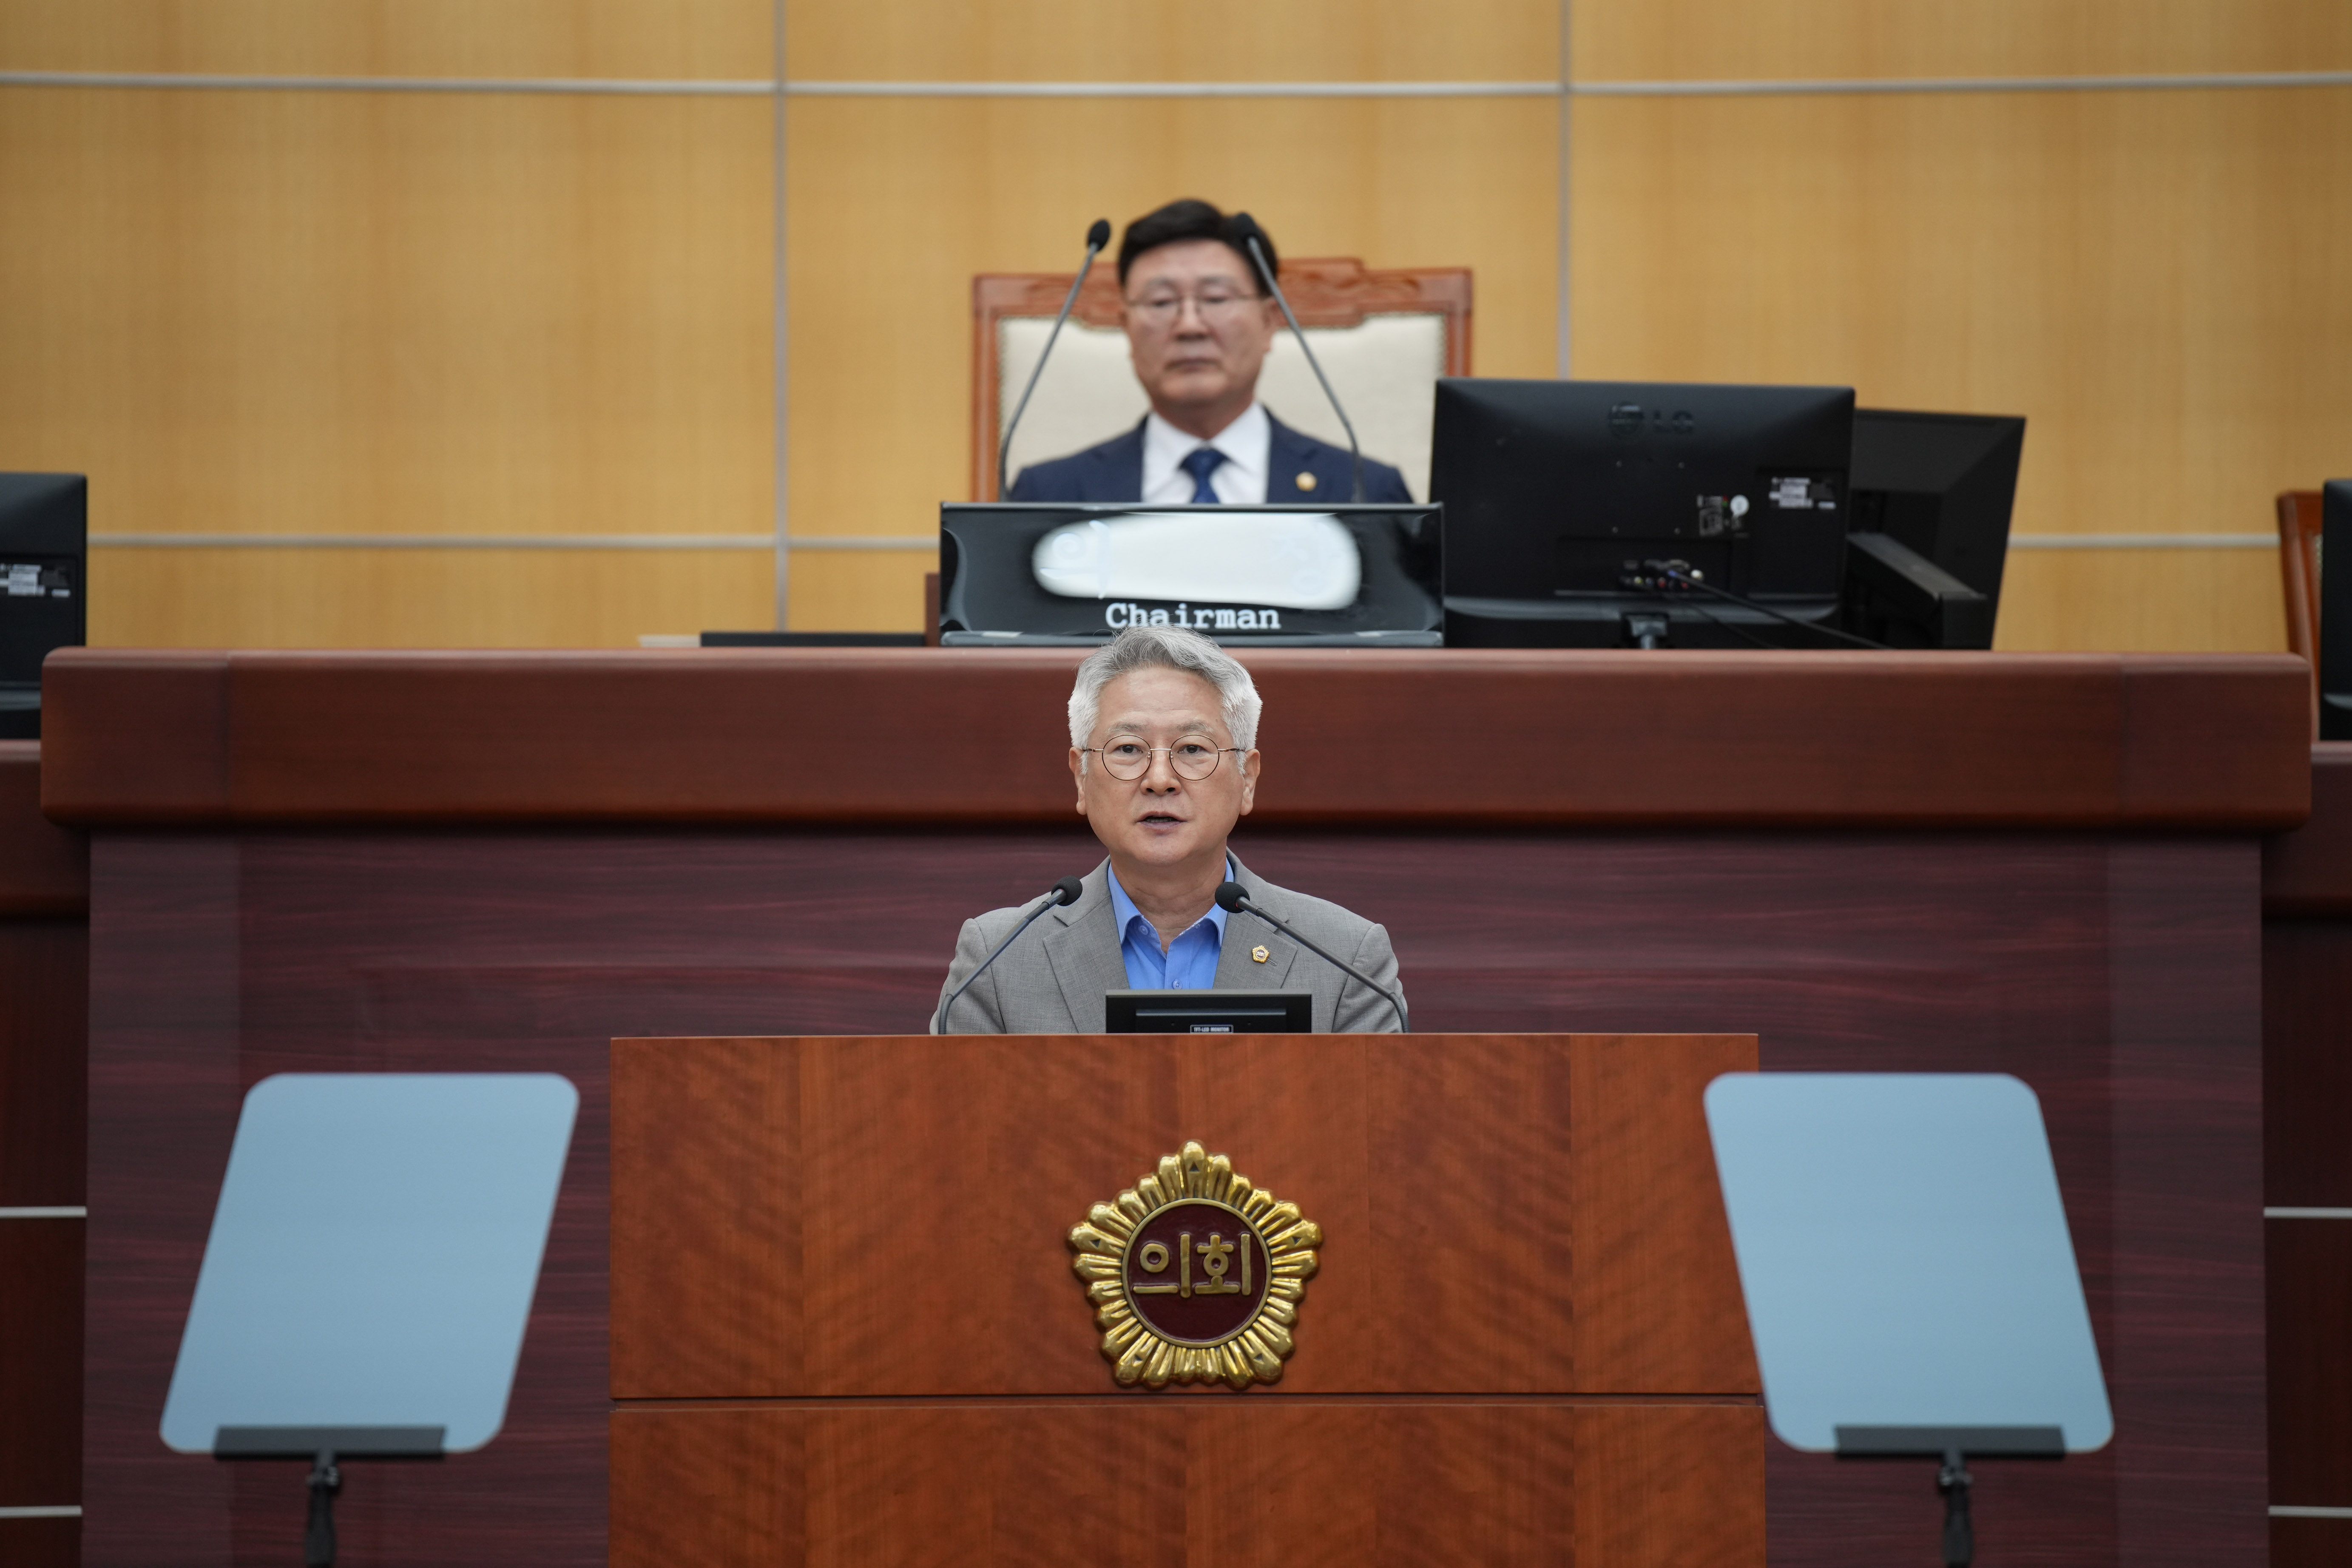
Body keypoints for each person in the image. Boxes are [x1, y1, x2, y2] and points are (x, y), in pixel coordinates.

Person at [932, 624, 1406, 1033]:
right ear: (1081, 777)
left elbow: (1374, 1133)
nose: (1160, 779)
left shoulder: (1344, 959)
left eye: (1193, 749)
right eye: (1128, 749)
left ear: (1247, 780)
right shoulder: (998, 960)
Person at [1005, 199, 1415, 506]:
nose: (1189, 326)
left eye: (1216, 299)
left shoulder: (1364, 492)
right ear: (1127, 327)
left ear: (1270, 321)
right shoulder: (1049, 496)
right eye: (1161, 303)